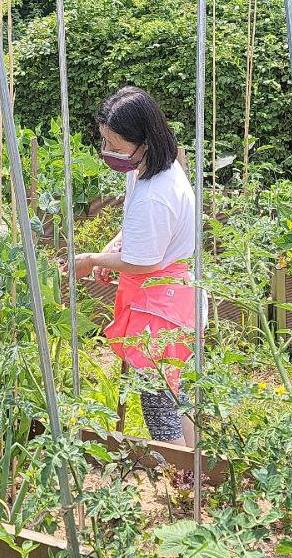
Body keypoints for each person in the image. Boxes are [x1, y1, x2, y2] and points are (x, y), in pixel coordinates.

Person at [72, 86, 199, 447]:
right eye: (104, 139)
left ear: (143, 141)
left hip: (160, 307)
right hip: (172, 296)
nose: (108, 150)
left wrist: (94, 259)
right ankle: (194, 466)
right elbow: (138, 232)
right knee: (179, 394)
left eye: (115, 143)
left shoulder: (157, 194)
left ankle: (178, 470)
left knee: (160, 401)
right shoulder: (152, 166)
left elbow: (140, 262)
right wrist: (116, 242)